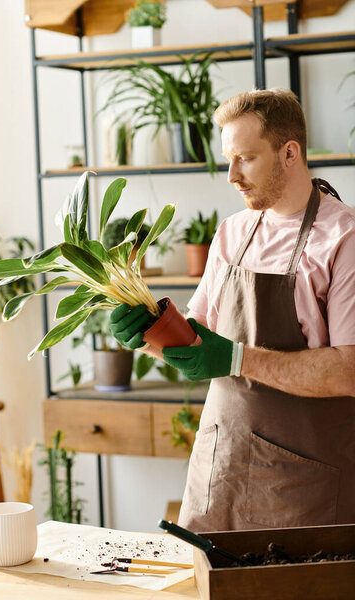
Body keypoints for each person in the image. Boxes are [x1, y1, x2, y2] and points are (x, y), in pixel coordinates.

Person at [109, 88, 355, 532]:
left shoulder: (342, 239)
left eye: (245, 158)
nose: (231, 176)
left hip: (303, 486)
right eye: (228, 159)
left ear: (290, 153)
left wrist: (237, 358)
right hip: (220, 468)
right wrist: (146, 334)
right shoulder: (232, 231)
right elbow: (197, 338)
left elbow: (347, 370)